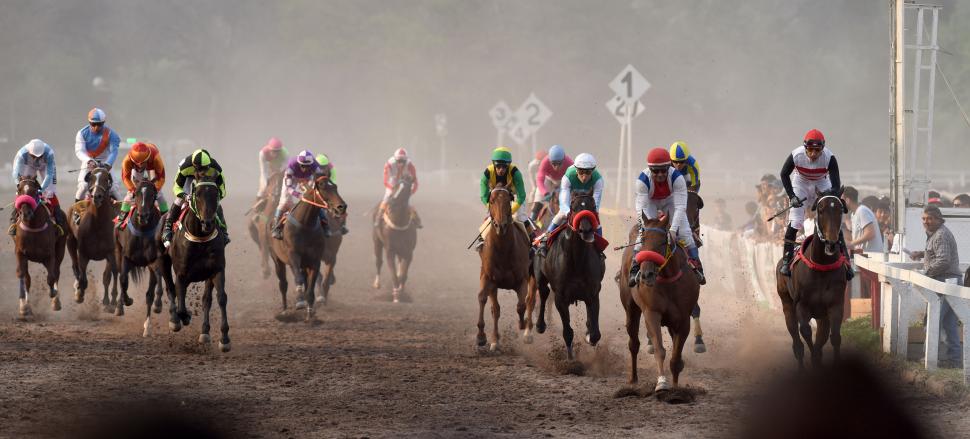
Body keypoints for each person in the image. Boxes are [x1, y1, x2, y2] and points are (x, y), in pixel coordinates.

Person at [778, 129, 852, 280]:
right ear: (804, 147)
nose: (812, 154)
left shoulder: (829, 158)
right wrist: (792, 196)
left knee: (831, 221)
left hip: (821, 181)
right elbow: (783, 174)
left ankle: (847, 263)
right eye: (810, 150)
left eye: (817, 150)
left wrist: (830, 197)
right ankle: (786, 260)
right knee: (796, 220)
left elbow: (836, 186)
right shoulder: (796, 155)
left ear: (822, 149)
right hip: (801, 182)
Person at [628, 147, 706, 286]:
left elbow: (681, 207)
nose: (660, 174)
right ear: (649, 169)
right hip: (650, 202)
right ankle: (634, 267)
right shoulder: (642, 180)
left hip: (670, 200)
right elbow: (641, 211)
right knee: (645, 233)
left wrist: (672, 230)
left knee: (685, 232)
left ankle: (697, 266)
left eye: (663, 170)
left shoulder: (677, 178)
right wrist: (643, 229)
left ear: (668, 167)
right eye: (655, 171)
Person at [908, 206, 962, 366]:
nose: (926, 222)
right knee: (948, 324)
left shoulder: (940, 235)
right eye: (924, 219)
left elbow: (944, 260)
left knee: (932, 320)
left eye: (929, 218)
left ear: (938, 219)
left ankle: (929, 359)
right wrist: (921, 254)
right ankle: (954, 360)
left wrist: (926, 272)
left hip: (945, 282)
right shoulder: (938, 234)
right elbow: (938, 254)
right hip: (949, 281)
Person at [534, 153, 604, 257]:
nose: (584, 176)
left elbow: (596, 204)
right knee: (560, 215)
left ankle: (599, 249)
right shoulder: (568, 176)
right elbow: (563, 202)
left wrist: (591, 215)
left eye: (588, 172)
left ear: (593, 171)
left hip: (588, 200)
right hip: (572, 198)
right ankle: (544, 242)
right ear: (576, 170)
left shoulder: (598, 180)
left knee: (596, 220)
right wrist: (568, 212)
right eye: (581, 172)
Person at [161, 149, 229, 246]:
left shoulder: (216, 168)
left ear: (209, 165)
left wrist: (213, 199)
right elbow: (176, 188)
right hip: (188, 176)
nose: (202, 172)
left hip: (207, 180)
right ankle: (167, 228)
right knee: (179, 199)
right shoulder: (185, 167)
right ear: (194, 166)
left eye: (204, 169)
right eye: (199, 169)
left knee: (214, 202)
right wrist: (185, 196)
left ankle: (223, 230)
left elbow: (222, 190)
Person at [473, 147, 531, 251]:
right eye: (498, 166)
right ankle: (482, 239)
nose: (501, 170)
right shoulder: (487, 173)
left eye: (504, 167)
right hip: (496, 195)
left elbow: (521, 196)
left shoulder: (515, 173)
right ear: (493, 165)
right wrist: (491, 207)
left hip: (514, 195)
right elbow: (484, 196)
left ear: (508, 165)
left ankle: (532, 239)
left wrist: (509, 211)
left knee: (521, 217)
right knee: (491, 217)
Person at [73, 108, 121, 224]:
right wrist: (89, 161)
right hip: (88, 162)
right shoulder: (82, 133)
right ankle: (76, 213)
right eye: (93, 124)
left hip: (105, 162)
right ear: (89, 123)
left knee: (114, 188)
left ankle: (122, 216)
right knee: (83, 187)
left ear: (103, 123)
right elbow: (79, 151)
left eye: (99, 125)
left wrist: (107, 164)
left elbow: (114, 151)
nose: (96, 127)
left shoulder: (111, 134)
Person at [9, 139, 61, 235]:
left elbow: (49, 175)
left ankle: (59, 220)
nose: (36, 159)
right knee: (23, 190)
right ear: (29, 152)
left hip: (45, 166)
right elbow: (16, 173)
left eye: (39, 156)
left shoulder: (49, 153)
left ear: (43, 153)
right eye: (34, 156)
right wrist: (19, 185)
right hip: (29, 166)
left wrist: (41, 189)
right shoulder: (22, 154)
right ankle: (13, 219)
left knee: (50, 192)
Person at [115, 142, 168, 228]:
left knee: (160, 195)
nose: (140, 166)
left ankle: (167, 220)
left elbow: (161, 177)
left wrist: (156, 189)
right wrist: (133, 190)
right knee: (129, 195)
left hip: (152, 168)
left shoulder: (156, 158)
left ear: (147, 159)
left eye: (142, 163)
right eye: (137, 163)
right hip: (136, 170)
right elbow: (125, 178)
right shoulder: (127, 160)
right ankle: (122, 218)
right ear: (132, 159)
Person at [271, 150, 321, 239]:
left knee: (314, 198)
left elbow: (320, 177)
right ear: (298, 163)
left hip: (307, 178)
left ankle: (324, 224)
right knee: (284, 202)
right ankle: (276, 227)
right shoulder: (291, 165)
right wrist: (299, 195)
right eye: (303, 166)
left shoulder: (315, 165)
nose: (305, 168)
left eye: (307, 166)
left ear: (311, 164)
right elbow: (289, 187)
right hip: (292, 178)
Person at [376, 148, 420, 227]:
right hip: (392, 182)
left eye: (403, 161)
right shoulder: (389, 164)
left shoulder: (410, 165)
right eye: (398, 161)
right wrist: (393, 189)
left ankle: (416, 219)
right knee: (387, 197)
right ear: (395, 160)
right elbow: (385, 181)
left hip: (403, 181)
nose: (401, 164)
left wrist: (411, 192)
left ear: (406, 160)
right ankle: (378, 217)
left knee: (406, 201)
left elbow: (415, 182)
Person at [530, 144, 573, 224]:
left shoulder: (569, 162)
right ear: (550, 161)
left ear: (563, 160)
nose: (556, 167)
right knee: (538, 199)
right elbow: (539, 179)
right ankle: (531, 222)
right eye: (554, 163)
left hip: (564, 180)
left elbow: (574, 179)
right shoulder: (545, 161)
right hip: (549, 180)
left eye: (559, 163)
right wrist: (545, 193)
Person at [314, 153, 348, 236]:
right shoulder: (312, 167)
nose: (322, 169)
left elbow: (333, 181)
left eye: (324, 167)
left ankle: (342, 225)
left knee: (340, 205)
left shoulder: (331, 168)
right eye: (320, 167)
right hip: (316, 187)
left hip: (328, 188)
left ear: (327, 165)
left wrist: (327, 188)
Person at [843, 186, 883, 254]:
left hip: (872, 257)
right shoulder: (854, 214)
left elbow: (870, 233)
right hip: (863, 257)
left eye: (842, 200)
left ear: (847, 200)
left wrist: (851, 243)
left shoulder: (862, 211)